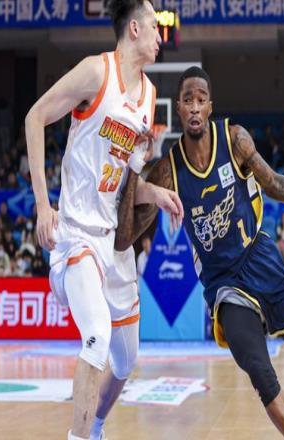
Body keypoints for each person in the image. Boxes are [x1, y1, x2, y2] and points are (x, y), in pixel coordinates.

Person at [115, 67, 284, 439]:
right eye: (188, 100)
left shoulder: (234, 139)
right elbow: (124, 238)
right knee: (263, 378)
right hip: (223, 285)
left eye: (201, 99)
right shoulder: (168, 171)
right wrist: (135, 166)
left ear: (210, 106)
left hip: (260, 259)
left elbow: (273, 182)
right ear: (178, 109)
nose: (195, 107)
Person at [24, 1, 182, 439]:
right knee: (96, 336)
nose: (160, 36)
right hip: (76, 235)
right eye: (153, 26)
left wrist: (156, 193)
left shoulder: (148, 97)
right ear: (133, 29)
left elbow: (127, 183)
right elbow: (34, 117)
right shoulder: (96, 72)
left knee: (127, 360)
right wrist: (42, 205)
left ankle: (94, 426)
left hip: (114, 242)